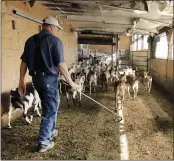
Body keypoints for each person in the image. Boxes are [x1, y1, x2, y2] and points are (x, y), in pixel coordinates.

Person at [18, 16, 79, 152]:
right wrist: (71, 83)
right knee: (50, 109)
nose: (57, 31)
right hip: (49, 79)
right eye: (57, 29)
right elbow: (61, 65)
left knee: (50, 106)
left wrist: (21, 82)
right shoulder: (55, 41)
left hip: (36, 80)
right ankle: (44, 141)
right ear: (51, 27)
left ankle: (50, 131)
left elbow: (24, 63)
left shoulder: (30, 40)